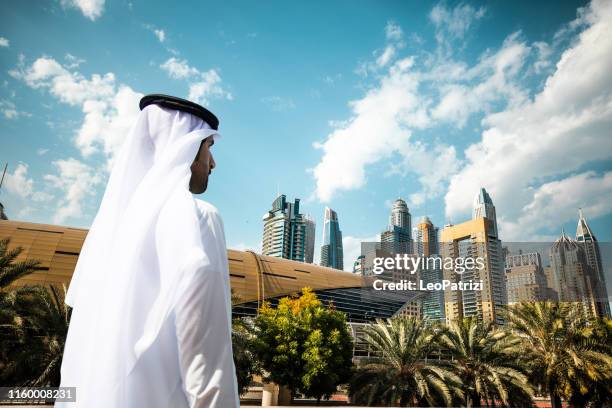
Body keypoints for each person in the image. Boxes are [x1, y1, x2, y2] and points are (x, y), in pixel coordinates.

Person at [56, 95, 239, 407]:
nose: (212, 162)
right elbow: (207, 361)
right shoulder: (197, 217)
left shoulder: (113, 234)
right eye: (208, 147)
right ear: (186, 149)